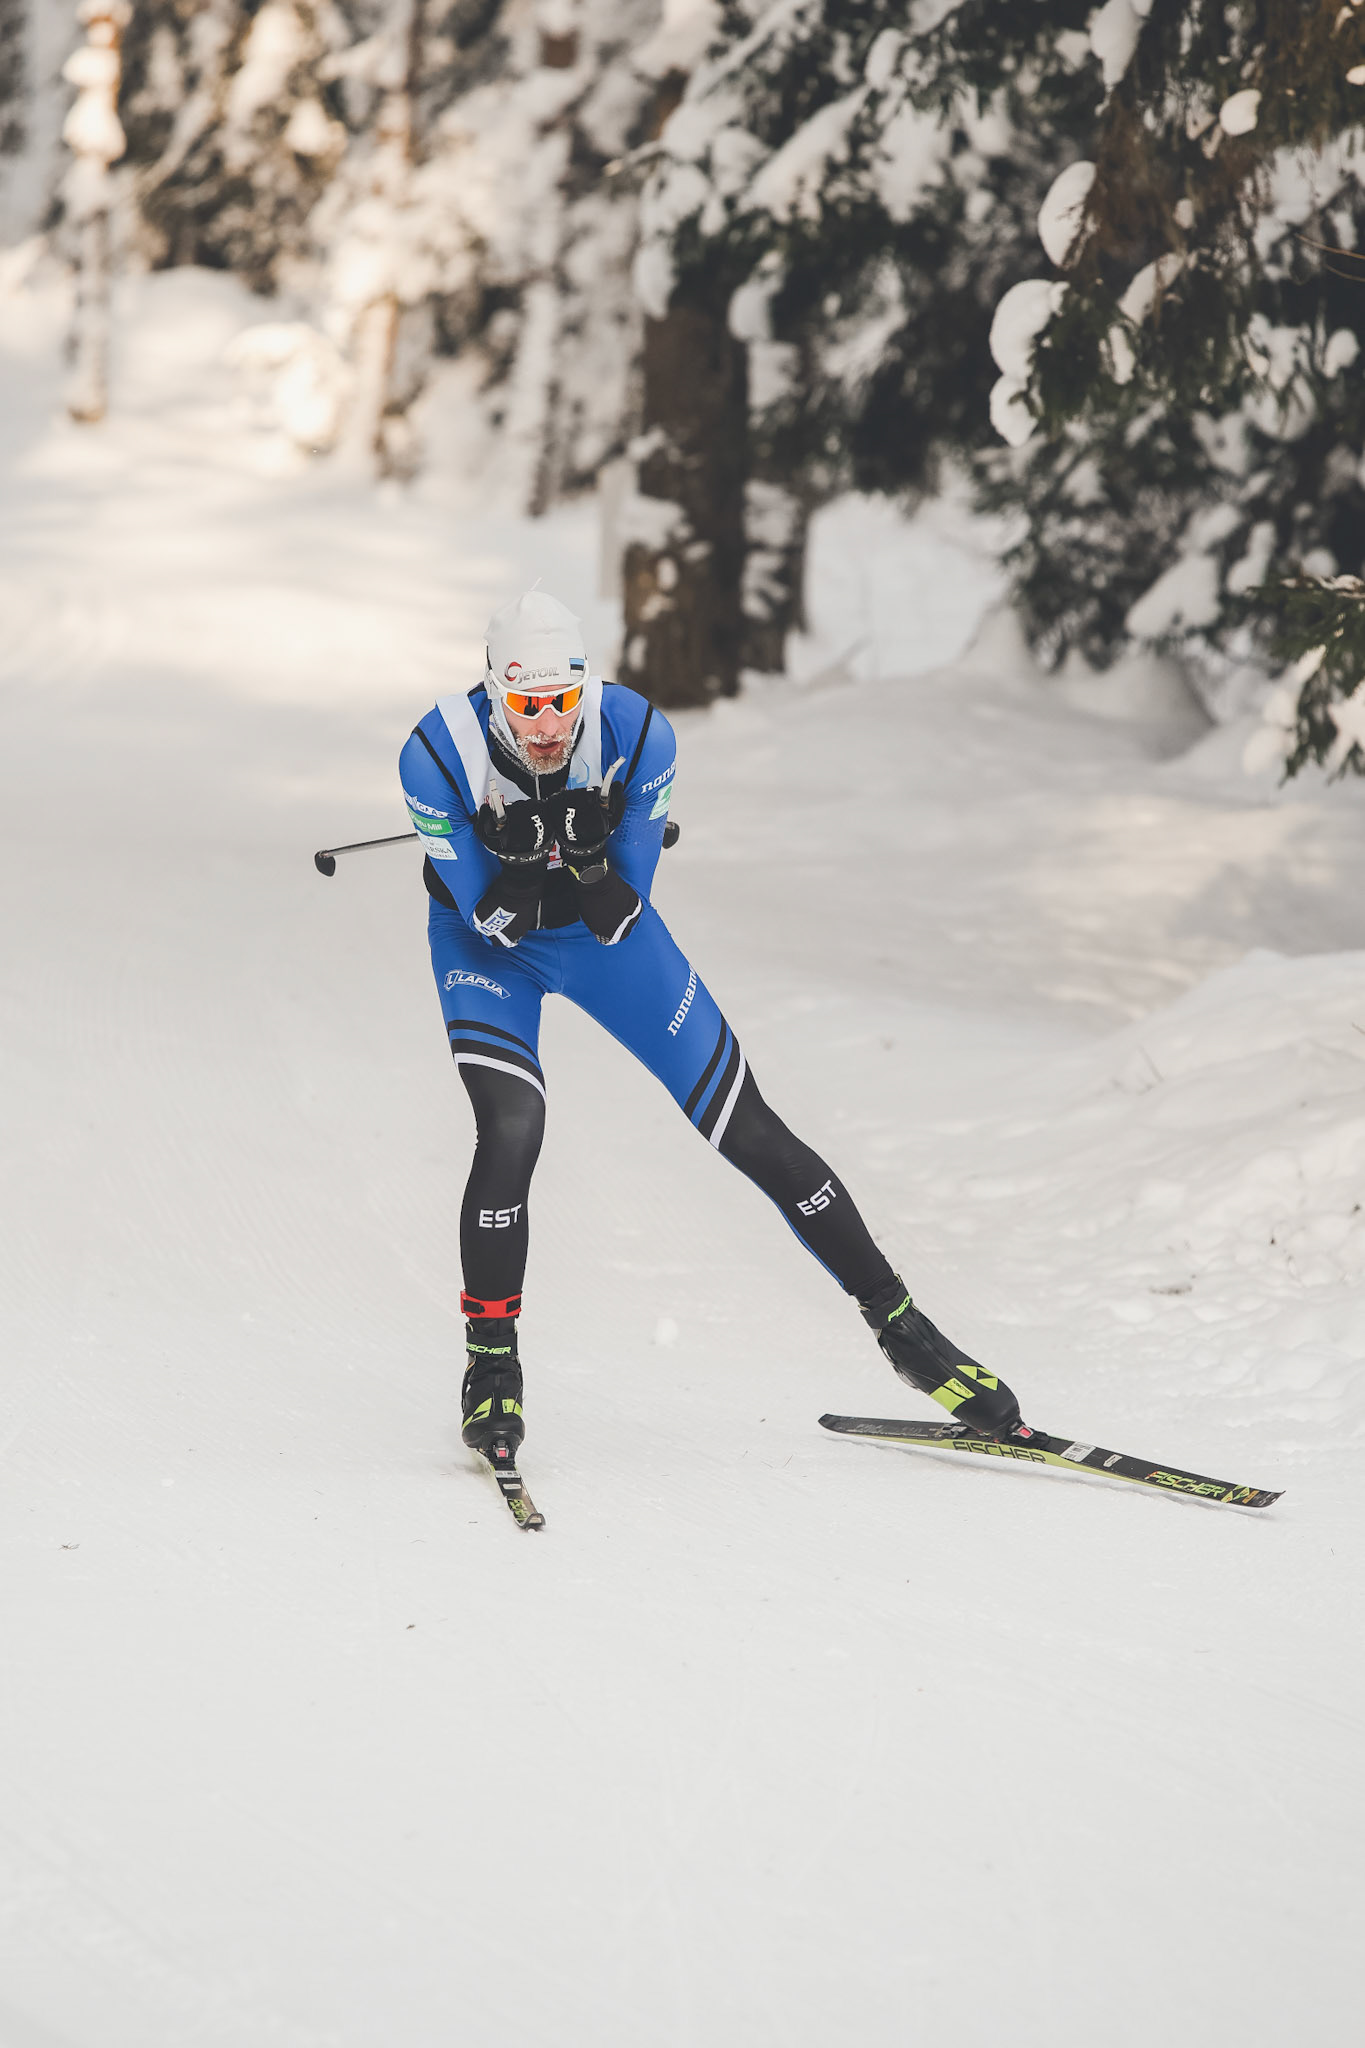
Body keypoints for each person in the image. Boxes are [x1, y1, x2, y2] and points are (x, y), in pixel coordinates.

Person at [399, 589, 1023, 1459]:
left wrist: (581, 857)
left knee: (749, 1126)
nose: (546, 726)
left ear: (587, 687)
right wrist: (519, 865)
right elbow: (491, 917)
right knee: (512, 1126)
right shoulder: (433, 755)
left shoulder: (640, 733)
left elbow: (622, 910)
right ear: (493, 692)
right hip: (488, 950)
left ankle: (907, 1333)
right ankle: (491, 1366)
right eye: (524, 705)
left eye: (562, 703)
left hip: (601, 937)